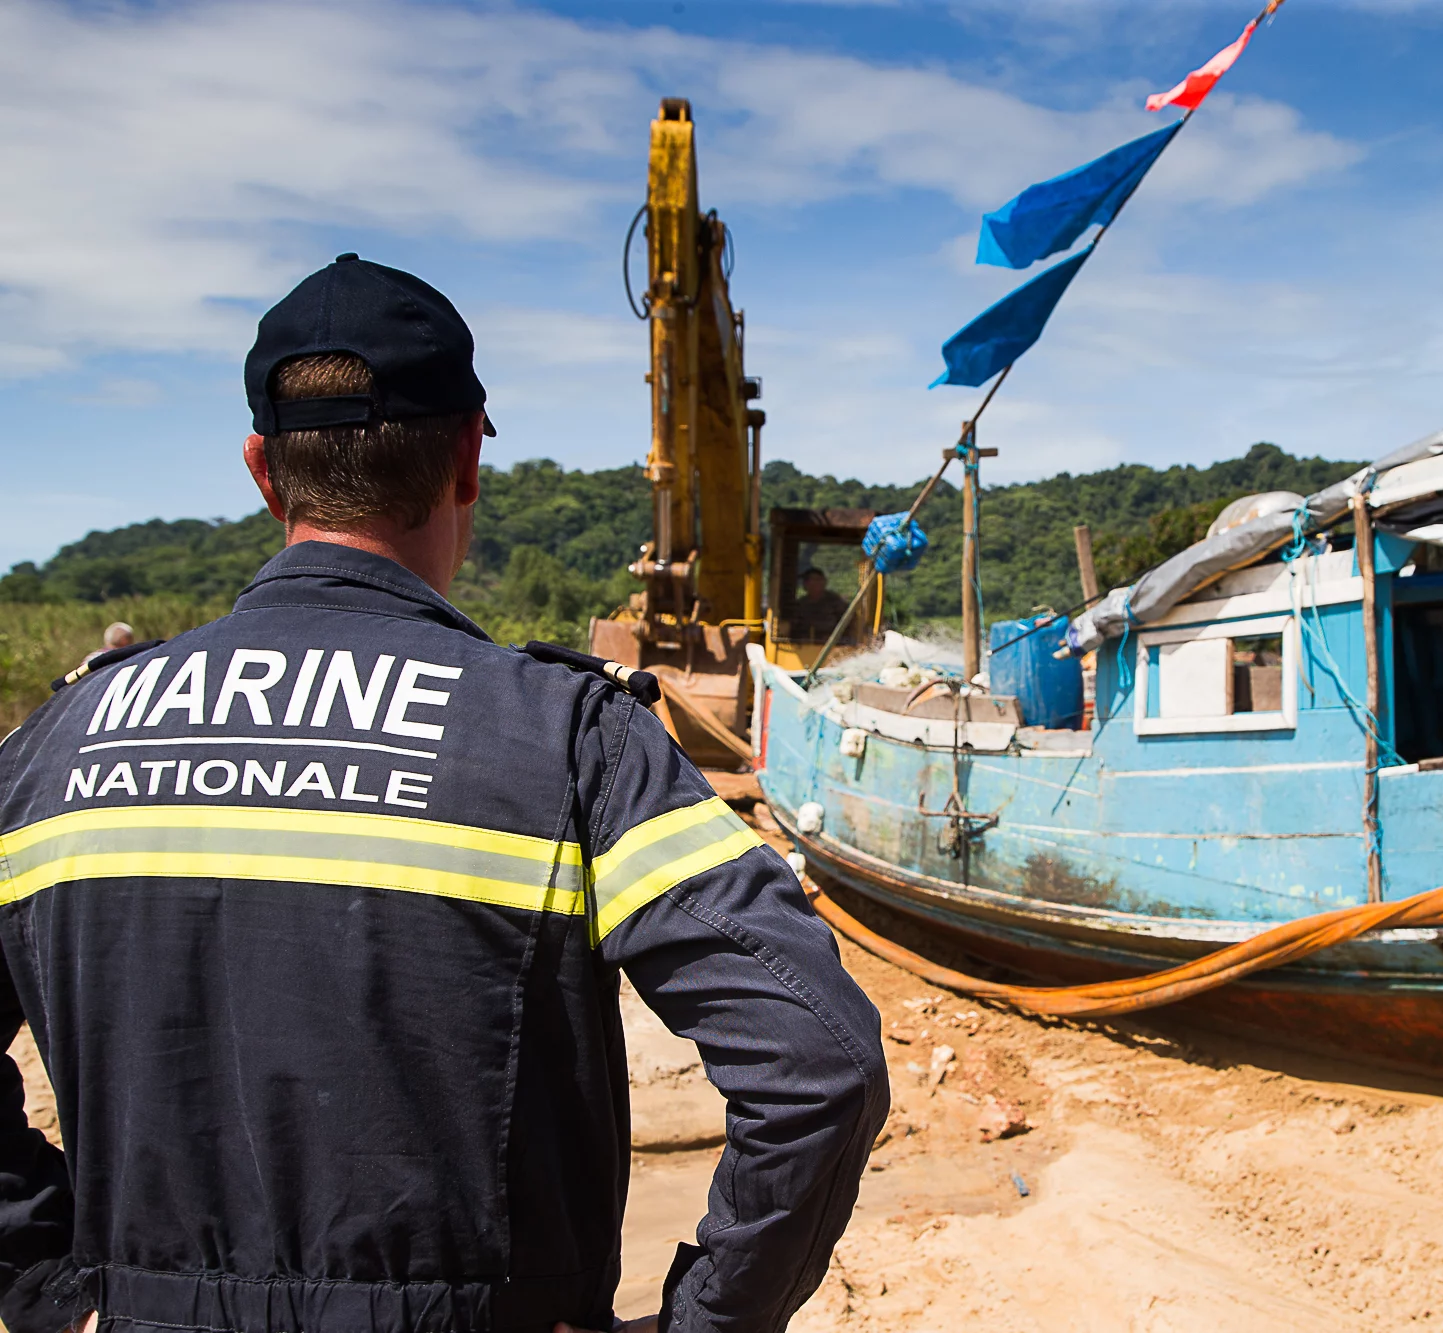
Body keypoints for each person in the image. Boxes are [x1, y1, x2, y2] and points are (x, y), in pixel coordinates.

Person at [0, 254, 888, 1333]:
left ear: (262, 472)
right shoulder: (568, 739)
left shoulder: (56, 744)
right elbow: (817, 1065)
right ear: (467, 458)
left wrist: (49, 1279)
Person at [788, 568, 845, 643]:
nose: (808, 583)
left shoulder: (835, 602)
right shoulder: (800, 604)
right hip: (804, 645)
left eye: (816, 580)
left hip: (830, 645)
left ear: (823, 582)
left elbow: (847, 623)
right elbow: (794, 626)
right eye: (806, 581)